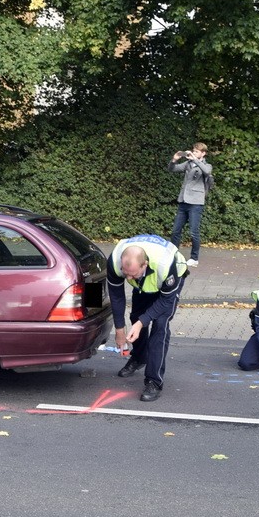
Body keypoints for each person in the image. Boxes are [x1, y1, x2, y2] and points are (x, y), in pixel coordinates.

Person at [107, 234, 189, 402]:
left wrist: (142, 322)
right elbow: (116, 297)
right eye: (126, 273)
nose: (128, 278)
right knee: (135, 316)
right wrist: (119, 329)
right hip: (144, 286)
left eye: (133, 274)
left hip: (166, 287)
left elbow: (165, 301)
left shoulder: (165, 265)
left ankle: (154, 381)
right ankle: (139, 357)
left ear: (145, 264)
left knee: (160, 326)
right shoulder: (115, 261)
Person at [167, 142, 212, 268]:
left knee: (193, 232)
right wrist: (174, 160)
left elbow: (207, 171)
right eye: (193, 150)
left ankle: (194, 258)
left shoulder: (206, 165)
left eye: (197, 151)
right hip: (183, 201)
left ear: (203, 153)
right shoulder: (188, 164)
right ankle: (174, 255)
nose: (194, 152)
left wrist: (195, 160)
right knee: (176, 230)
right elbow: (172, 169)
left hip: (196, 203)